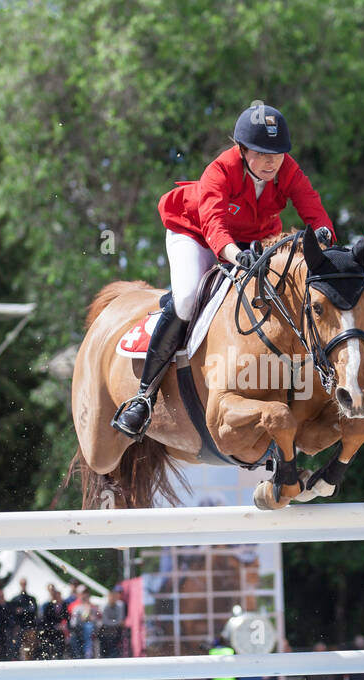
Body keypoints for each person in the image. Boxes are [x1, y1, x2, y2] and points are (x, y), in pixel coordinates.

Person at [111, 101, 337, 439]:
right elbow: (214, 225)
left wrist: (327, 241)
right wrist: (233, 254)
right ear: (242, 150)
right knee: (187, 298)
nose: (271, 161)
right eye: (261, 153)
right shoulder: (220, 170)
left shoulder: (286, 169)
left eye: (277, 153)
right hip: (196, 233)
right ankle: (143, 396)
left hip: (254, 238)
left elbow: (313, 207)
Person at [39, 584, 68, 662]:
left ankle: (59, 658)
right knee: (47, 645)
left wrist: (63, 625)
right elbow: (45, 620)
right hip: (50, 630)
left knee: (60, 645)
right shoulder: (48, 606)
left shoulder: (64, 605)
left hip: (61, 631)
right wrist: (55, 626)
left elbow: (67, 617)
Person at [97, 586, 126, 658]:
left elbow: (119, 620)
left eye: (114, 596)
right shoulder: (105, 606)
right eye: (111, 596)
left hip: (114, 631)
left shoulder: (120, 605)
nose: (112, 598)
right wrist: (116, 623)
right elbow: (105, 622)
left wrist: (114, 623)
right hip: (105, 630)